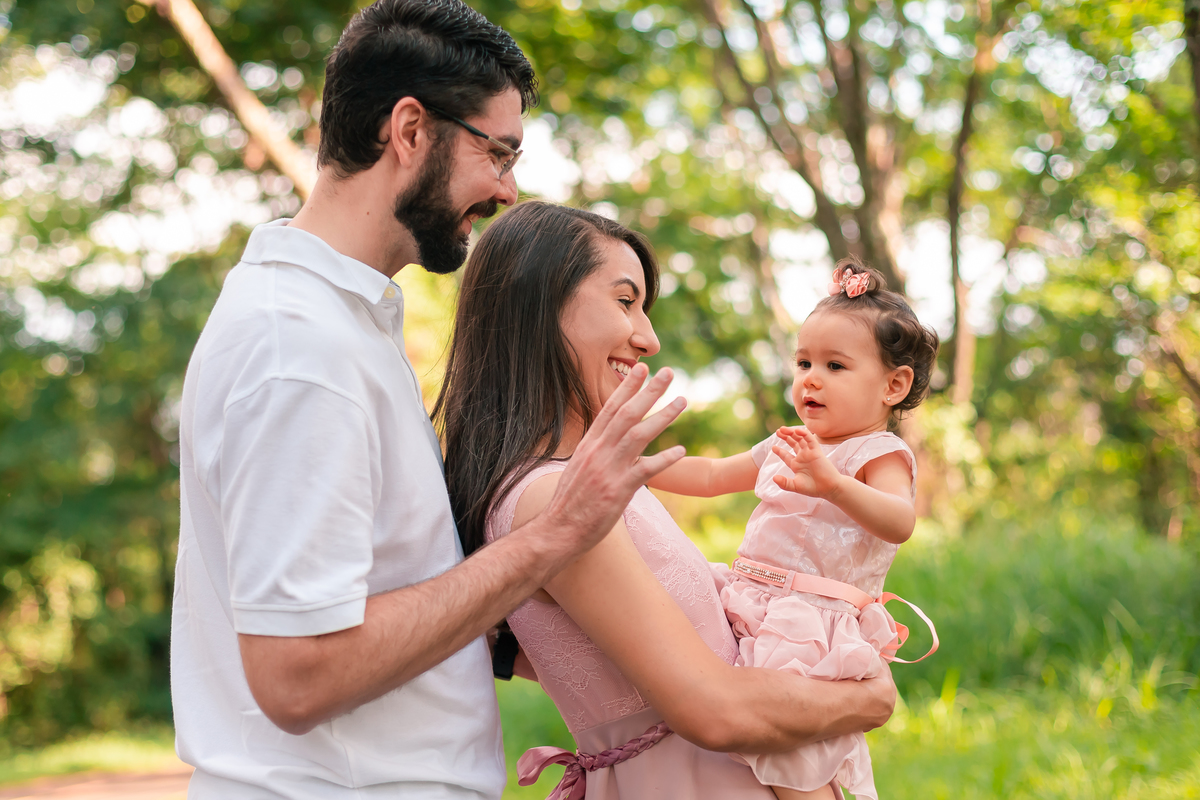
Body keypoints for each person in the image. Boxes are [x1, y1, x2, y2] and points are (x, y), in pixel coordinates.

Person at [169, 2, 690, 798]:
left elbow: (375, 603)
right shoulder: (300, 351)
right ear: (410, 130)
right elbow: (298, 675)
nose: (509, 191)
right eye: (498, 153)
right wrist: (553, 538)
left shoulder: (340, 322)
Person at [435, 202, 898, 799]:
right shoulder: (555, 496)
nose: (648, 337)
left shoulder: (561, 484)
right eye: (625, 301)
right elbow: (714, 710)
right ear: (539, 307)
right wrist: (867, 699)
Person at [648, 259, 941, 800]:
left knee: (793, 757)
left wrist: (833, 483)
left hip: (810, 623)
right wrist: (635, 465)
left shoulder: (880, 453)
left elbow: (899, 521)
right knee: (727, 726)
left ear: (893, 386)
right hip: (749, 602)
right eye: (803, 361)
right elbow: (713, 476)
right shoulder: (790, 442)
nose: (811, 378)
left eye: (835, 366)